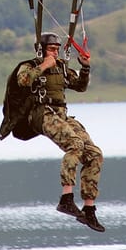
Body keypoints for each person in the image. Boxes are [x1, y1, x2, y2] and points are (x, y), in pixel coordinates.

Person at [17, 32, 105, 231]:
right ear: (40, 49)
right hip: (42, 114)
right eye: (51, 49)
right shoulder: (30, 65)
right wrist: (43, 67)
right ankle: (66, 198)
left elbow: (80, 87)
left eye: (57, 49)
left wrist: (85, 66)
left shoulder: (62, 68)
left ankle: (89, 211)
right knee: (75, 144)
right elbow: (22, 81)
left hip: (62, 115)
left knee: (94, 154)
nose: (55, 53)